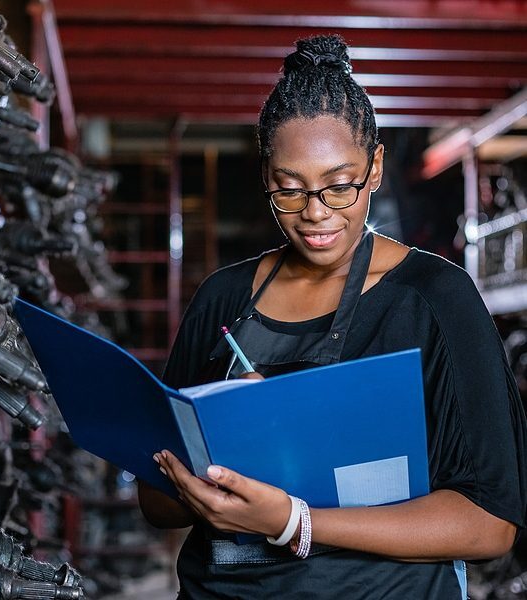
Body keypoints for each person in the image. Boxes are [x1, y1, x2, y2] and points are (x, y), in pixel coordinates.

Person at [138, 34, 527, 599]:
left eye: (339, 186)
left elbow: (491, 523)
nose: (315, 213)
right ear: (266, 176)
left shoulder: (435, 299)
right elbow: (156, 501)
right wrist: (225, 452)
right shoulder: (222, 299)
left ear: (374, 167)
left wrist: (294, 522)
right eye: (288, 190)